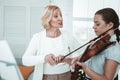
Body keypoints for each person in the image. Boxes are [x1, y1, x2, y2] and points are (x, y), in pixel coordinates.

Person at [22, 5, 80, 80]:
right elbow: (25, 60)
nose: (61, 18)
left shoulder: (68, 36)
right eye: (56, 16)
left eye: (61, 15)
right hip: (45, 77)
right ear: (48, 19)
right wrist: (44, 58)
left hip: (66, 76)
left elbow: (80, 55)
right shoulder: (37, 37)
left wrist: (66, 59)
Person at [71, 8, 120, 80]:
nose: (93, 26)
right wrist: (79, 58)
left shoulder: (114, 49)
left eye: (97, 24)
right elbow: (92, 61)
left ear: (110, 25)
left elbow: (107, 79)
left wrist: (85, 68)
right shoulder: (100, 43)